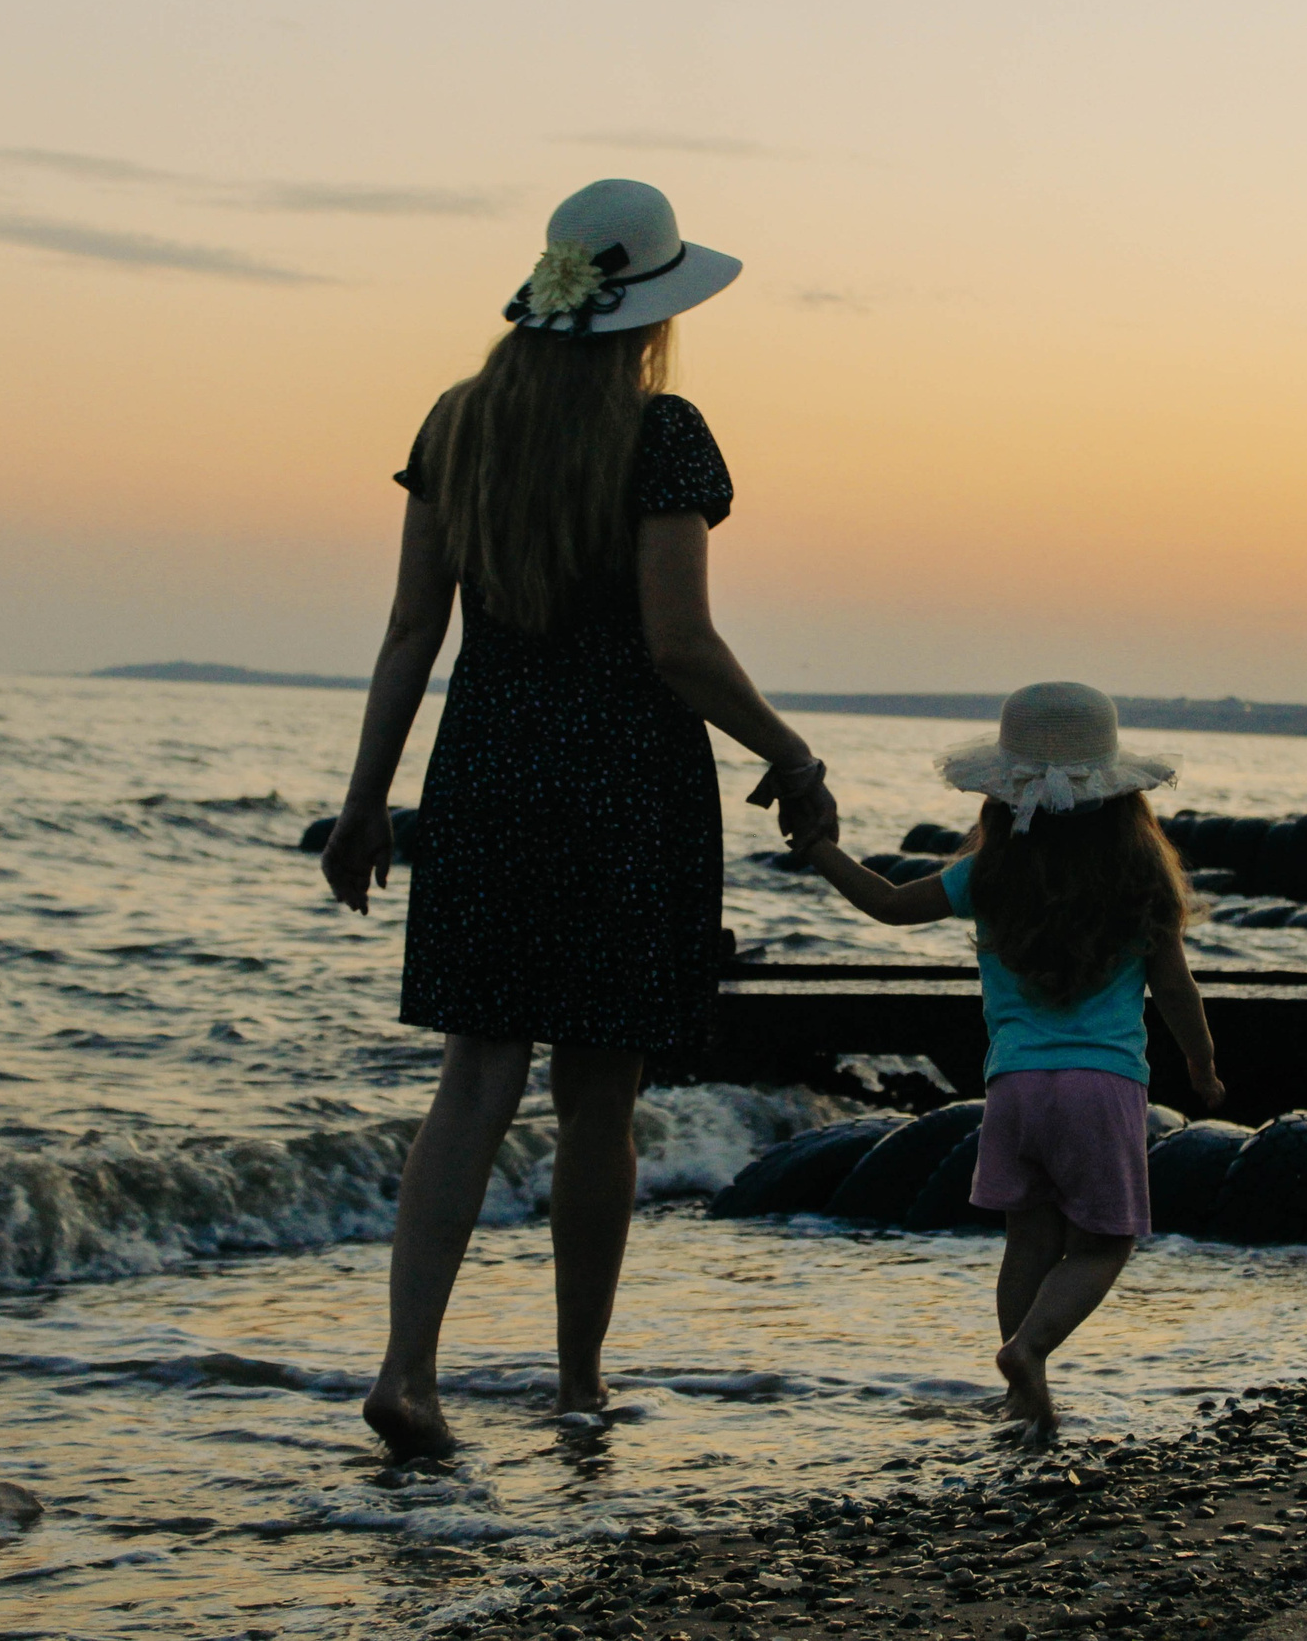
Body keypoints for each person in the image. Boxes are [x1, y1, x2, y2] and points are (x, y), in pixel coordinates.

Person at [323, 179, 838, 1459]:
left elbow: (407, 635)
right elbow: (679, 645)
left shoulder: (457, 422)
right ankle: (574, 1382)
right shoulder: (661, 433)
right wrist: (789, 751)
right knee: (599, 1098)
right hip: (622, 789)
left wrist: (363, 805)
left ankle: (409, 1372)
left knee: (473, 1080)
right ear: (654, 309)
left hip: (486, 776)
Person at [791, 682, 1224, 1443]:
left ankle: (1025, 1396)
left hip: (1014, 1089)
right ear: (1122, 795)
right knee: (1104, 1242)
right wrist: (1202, 1064)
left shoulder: (988, 873)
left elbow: (888, 904)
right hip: (1104, 1087)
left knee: (1029, 1241)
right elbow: (1176, 988)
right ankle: (1029, 1349)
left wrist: (821, 847)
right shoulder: (1142, 876)